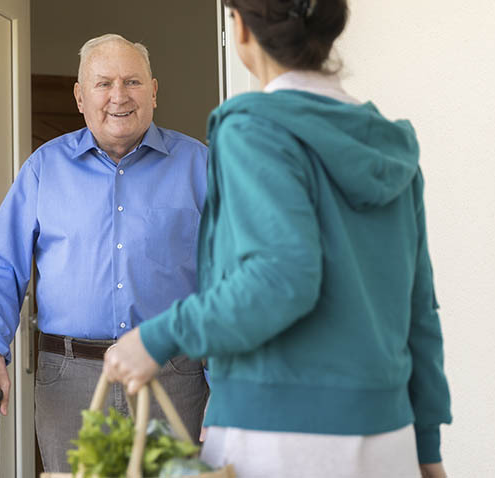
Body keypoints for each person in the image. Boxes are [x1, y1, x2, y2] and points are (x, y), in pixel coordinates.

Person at [103, 1, 452, 477]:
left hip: (278, 434)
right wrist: (427, 448)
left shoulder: (254, 128)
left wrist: (157, 337)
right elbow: (419, 311)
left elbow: (281, 278)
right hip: (387, 436)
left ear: (241, 28)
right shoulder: (387, 144)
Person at [0, 34, 210, 473]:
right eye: (103, 83)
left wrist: (226, 387)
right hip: (69, 379)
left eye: (132, 82)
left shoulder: (199, 166)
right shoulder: (44, 167)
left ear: (153, 91)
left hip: (171, 374)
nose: (119, 96)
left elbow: (228, 281)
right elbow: (1, 266)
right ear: (80, 96)